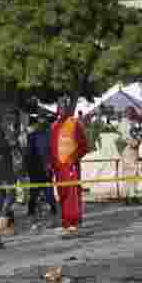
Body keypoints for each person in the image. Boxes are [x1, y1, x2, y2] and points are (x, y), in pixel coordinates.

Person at [49, 97, 89, 234]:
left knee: (73, 194)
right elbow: (52, 147)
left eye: (64, 106)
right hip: (58, 168)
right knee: (62, 194)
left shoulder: (74, 124)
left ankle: (74, 222)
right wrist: (51, 164)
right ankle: (66, 222)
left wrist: (73, 158)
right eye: (60, 106)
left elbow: (84, 146)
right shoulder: (54, 126)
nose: (62, 109)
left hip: (71, 166)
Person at [25, 117, 57, 217]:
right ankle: (35, 209)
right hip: (38, 168)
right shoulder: (33, 136)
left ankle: (50, 208)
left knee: (43, 191)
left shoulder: (46, 136)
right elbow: (29, 154)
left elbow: (49, 152)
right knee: (40, 191)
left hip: (41, 168)